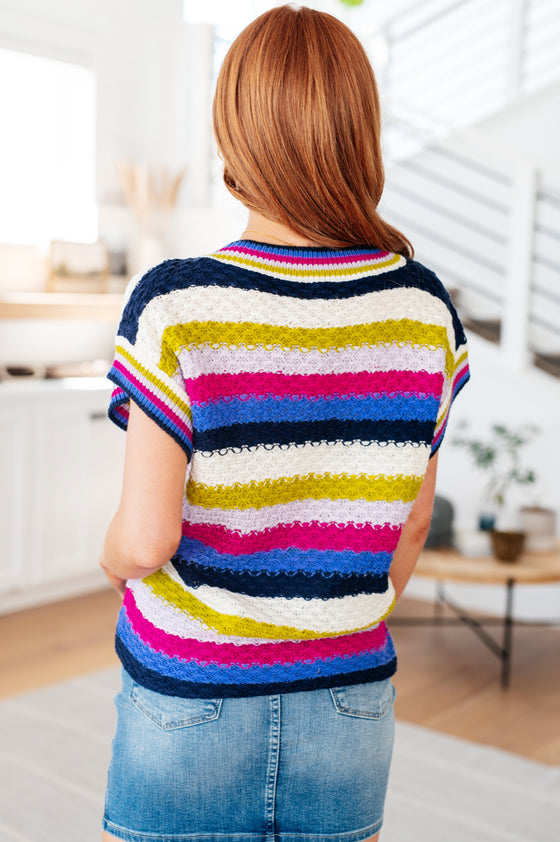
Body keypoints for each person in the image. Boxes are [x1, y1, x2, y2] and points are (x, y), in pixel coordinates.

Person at [100, 6, 470, 842]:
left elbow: (147, 538)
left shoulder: (177, 301)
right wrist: (327, 620)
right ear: (358, 133)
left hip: (192, 696)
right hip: (349, 704)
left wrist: (108, 553)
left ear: (235, 131)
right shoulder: (423, 307)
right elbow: (412, 524)